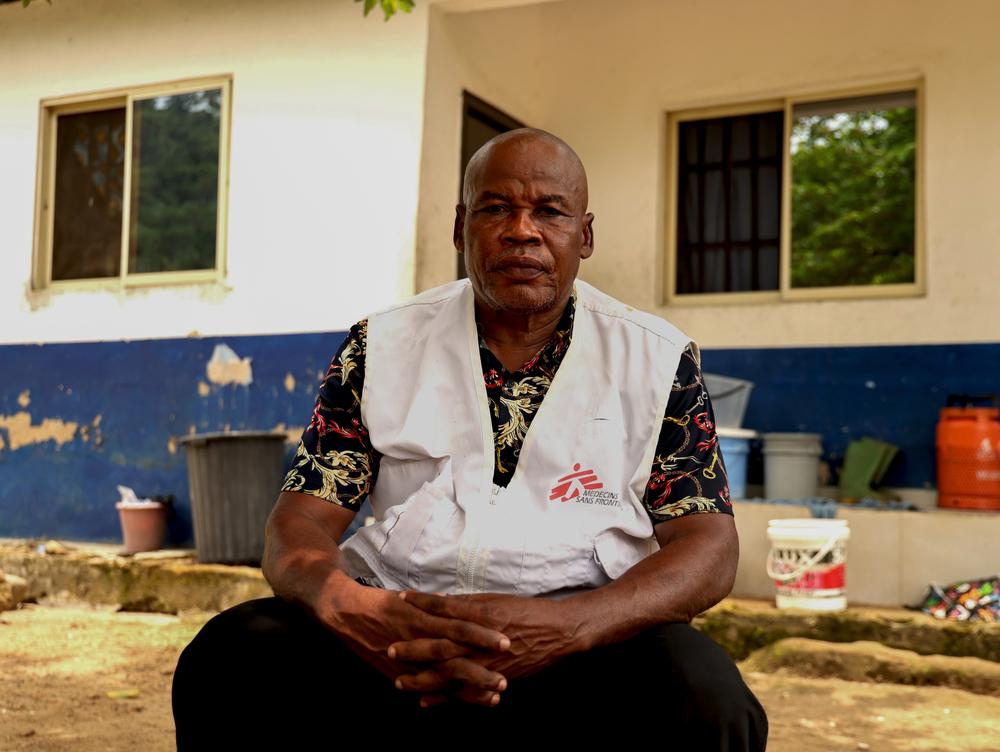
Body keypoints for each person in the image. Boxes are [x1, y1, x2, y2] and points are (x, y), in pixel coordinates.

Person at [172, 129, 768, 749]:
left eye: (549, 211)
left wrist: (571, 627)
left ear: (584, 236)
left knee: (708, 700)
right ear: (460, 228)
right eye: (496, 208)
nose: (522, 230)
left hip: (581, 643)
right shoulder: (381, 347)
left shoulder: (656, 358)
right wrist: (350, 608)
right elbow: (297, 524)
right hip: (396, 634)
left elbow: (708, 548)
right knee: (233, 656)